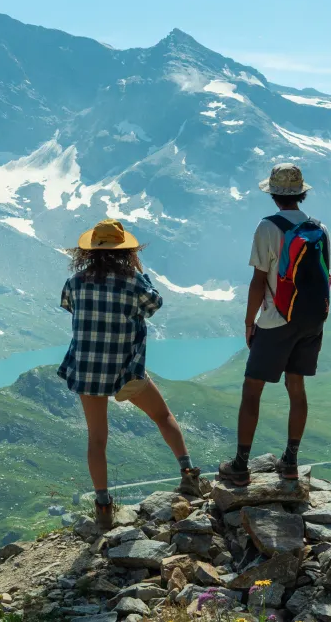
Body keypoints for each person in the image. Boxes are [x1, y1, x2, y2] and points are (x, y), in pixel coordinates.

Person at [58, 218, 203, 529]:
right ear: (126, 251)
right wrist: (139, 271)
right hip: (126, 368)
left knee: (97, 439)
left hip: (87, 369)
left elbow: (71, 307)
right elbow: (154, 304)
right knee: (163, 416)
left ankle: (103, 507)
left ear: (89, 252)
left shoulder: (75, 283)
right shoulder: (134, 282)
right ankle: (189, 475)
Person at [219, 163, 331, 487]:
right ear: (301, 193)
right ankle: (291, 462)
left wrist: (249, 321)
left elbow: (258, 281)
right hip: (311, 319)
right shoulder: (319, 229)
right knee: (296, 387)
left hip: (276, 319)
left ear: (273, 195)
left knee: (252, 388)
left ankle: (240, 465)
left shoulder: (267, 227)